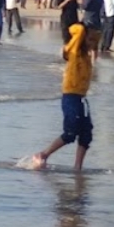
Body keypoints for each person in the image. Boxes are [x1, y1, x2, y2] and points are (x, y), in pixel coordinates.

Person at [29, 21, 93, 172]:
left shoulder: (86, 56)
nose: (91, 41)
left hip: (82, 98)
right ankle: (43, 154)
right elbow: (76, 30)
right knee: (70, 132)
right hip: (70, 96)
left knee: (86, 134)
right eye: (88, 37)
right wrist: (83, 27)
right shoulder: (74, 52)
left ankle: (78, 167)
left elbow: (96, 35)